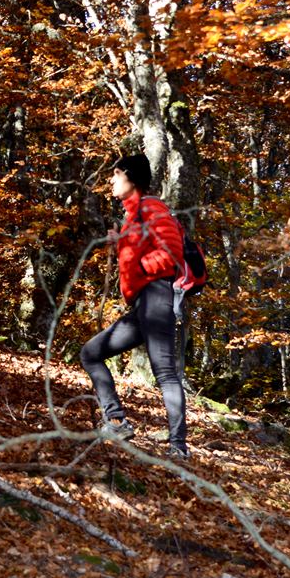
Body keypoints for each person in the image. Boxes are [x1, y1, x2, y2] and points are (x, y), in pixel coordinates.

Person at [80, 152, 189, 458]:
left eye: (115, 175)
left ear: (129, 176)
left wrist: (140, 268)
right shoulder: (133, 215)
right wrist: (122, 241)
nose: (111, 181)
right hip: (143, 305)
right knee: (91, 353)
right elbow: (144, 246)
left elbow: (172, 254)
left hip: (157, 297)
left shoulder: (151, 207)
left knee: (165, 372)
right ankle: (116, 420)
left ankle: (178, 447)